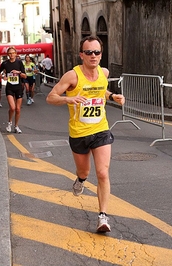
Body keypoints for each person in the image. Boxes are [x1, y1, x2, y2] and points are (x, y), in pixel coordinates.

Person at [46, 36, 125, 233]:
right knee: (85, 172)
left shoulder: (104, 72)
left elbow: (101, 91)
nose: (93, 56)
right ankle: (80, 180)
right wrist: (68, 100)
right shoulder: (72, 76)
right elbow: (51, 97)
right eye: (88, 52)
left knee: (102, 172)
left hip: (100, 129)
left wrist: (112, 96)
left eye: (97, 52)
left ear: (101, 54)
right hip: (78, 132)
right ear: (81, 54)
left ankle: (102, 216)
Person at [0, 46, 26, 133]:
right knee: (12, 107)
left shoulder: (19, 62)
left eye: (13, 53)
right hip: (9, 87)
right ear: (7, 54)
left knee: (18, 109)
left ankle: (16, 126)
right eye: (10, 53)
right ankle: (9, 122)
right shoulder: (5, 63)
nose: (12, 55)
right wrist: (3, 77)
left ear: (16, 54)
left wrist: (18, 72)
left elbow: (24, 75)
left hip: (18, 87)